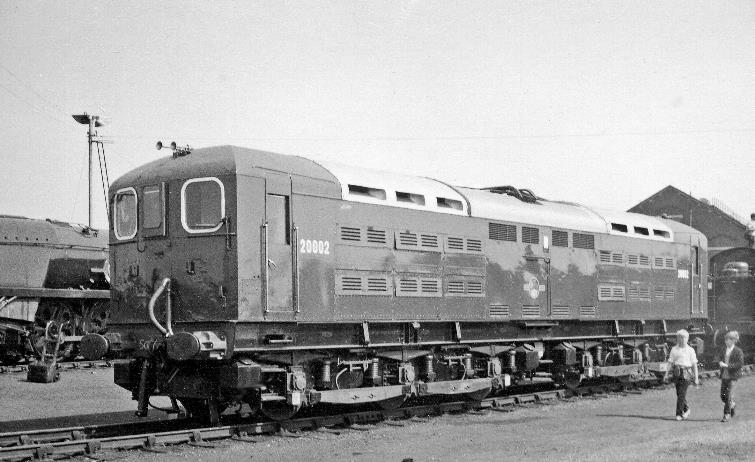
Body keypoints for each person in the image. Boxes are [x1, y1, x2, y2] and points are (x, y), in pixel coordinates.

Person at [665, 329, 699, 420]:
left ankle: (679, 414)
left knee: (681, 394)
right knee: (679, 393)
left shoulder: (690, 350)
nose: (682, 339)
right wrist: (666, 374)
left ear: (687, 339)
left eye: (684, 337)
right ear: (677, 338)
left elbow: (694, 365)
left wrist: (696, 378)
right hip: (677, 373)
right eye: (680, 337)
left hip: (686, 373)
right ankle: (687, 409)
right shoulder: (674, 349)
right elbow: (670, 362)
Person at [716, 331, 744, 422]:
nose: (727, 342)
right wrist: (720, 362)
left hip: (733, 376)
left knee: (727, 395)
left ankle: (726, 414)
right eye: (726, 340)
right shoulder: (723, 349)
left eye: (729, 340)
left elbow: (740, 363)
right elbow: (720, 358)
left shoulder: (738, 351)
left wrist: (728, 366)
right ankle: (732, 404)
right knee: (722, 396)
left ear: (734, 341)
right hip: (724, 375)